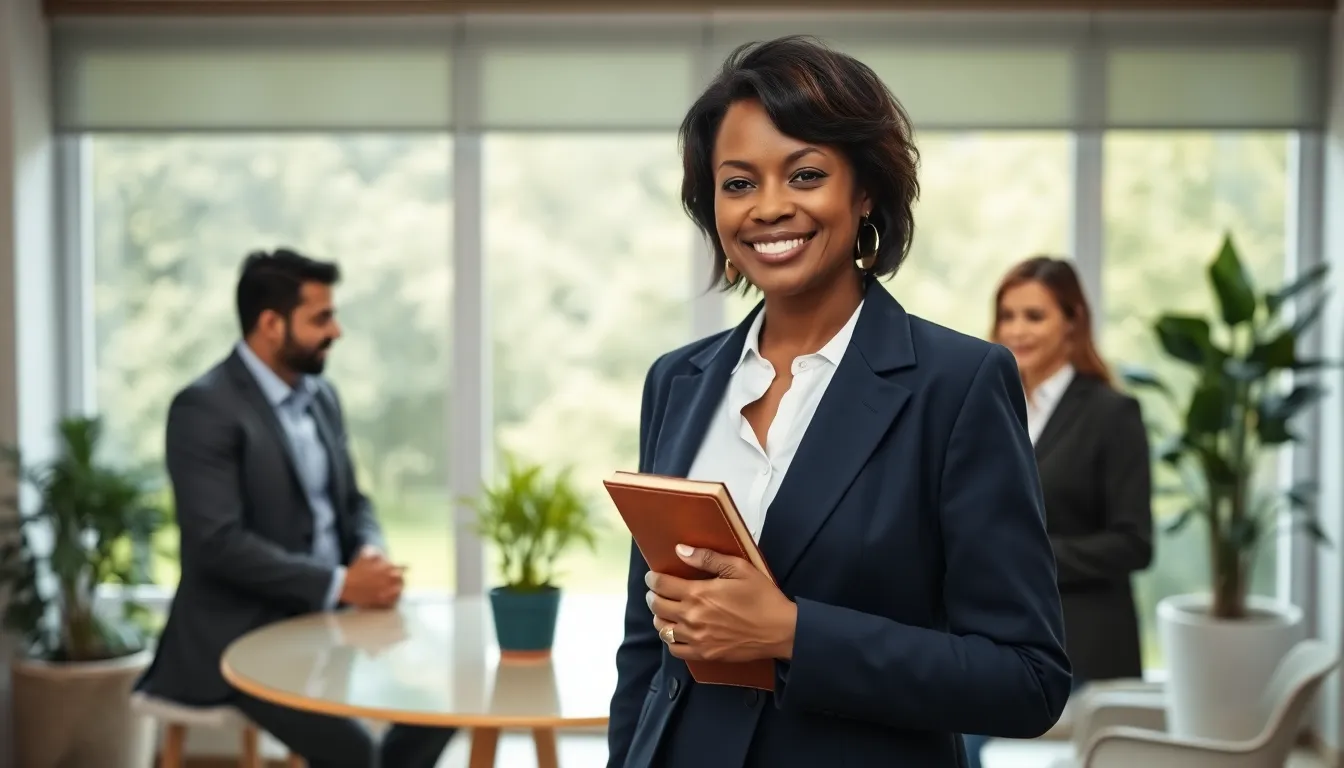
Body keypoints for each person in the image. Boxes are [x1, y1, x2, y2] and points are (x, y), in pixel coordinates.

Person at [607, 36, 1071, 768]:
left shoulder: (957, 383)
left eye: (806, 174)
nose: (768, 207)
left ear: (864, 193)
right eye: (737, 183)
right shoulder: (678, 380)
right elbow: (645, 639)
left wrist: (791, 632)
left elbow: (1028, 679)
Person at [135, 249, 456, 768]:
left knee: (440, 703)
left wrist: (370, 552)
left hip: (329, 621)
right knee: (352, 751)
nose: (337, 331)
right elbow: (216, 543)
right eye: (321, 318)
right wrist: (339, 583)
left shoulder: (321, 396)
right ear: (269, 323)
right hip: (241, 636)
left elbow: (355, 502)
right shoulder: (203, 408)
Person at [961, 256, 1154, 768]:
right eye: (1008, 316)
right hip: (990, 633)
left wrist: (1025, 558)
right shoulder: (989, 407)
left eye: (1034, 316)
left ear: (1073, 322)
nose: (1017, 330)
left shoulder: (1112, 413)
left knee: (959, 738)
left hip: (1081, 646)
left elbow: (1134, 542)